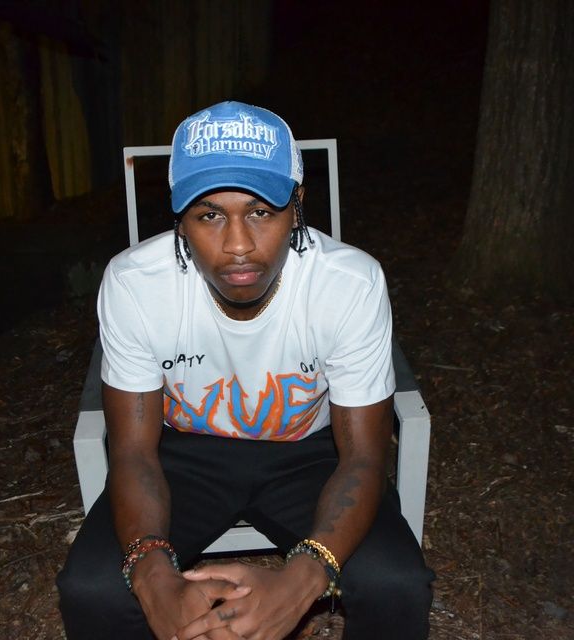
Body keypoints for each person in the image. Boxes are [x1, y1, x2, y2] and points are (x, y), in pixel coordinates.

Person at [57, 100, 434, 640]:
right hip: (184, 451)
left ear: (297, 207)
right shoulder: (136, 283)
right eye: (209, 215)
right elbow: (134, 452)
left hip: (311, 452)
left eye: (261, 212)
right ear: (180, 220)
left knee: (395, 584)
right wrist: (151, 576)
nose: (238, 246)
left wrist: (303, 579)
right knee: (93, 589)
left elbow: (364, 457)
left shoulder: (349, 284)